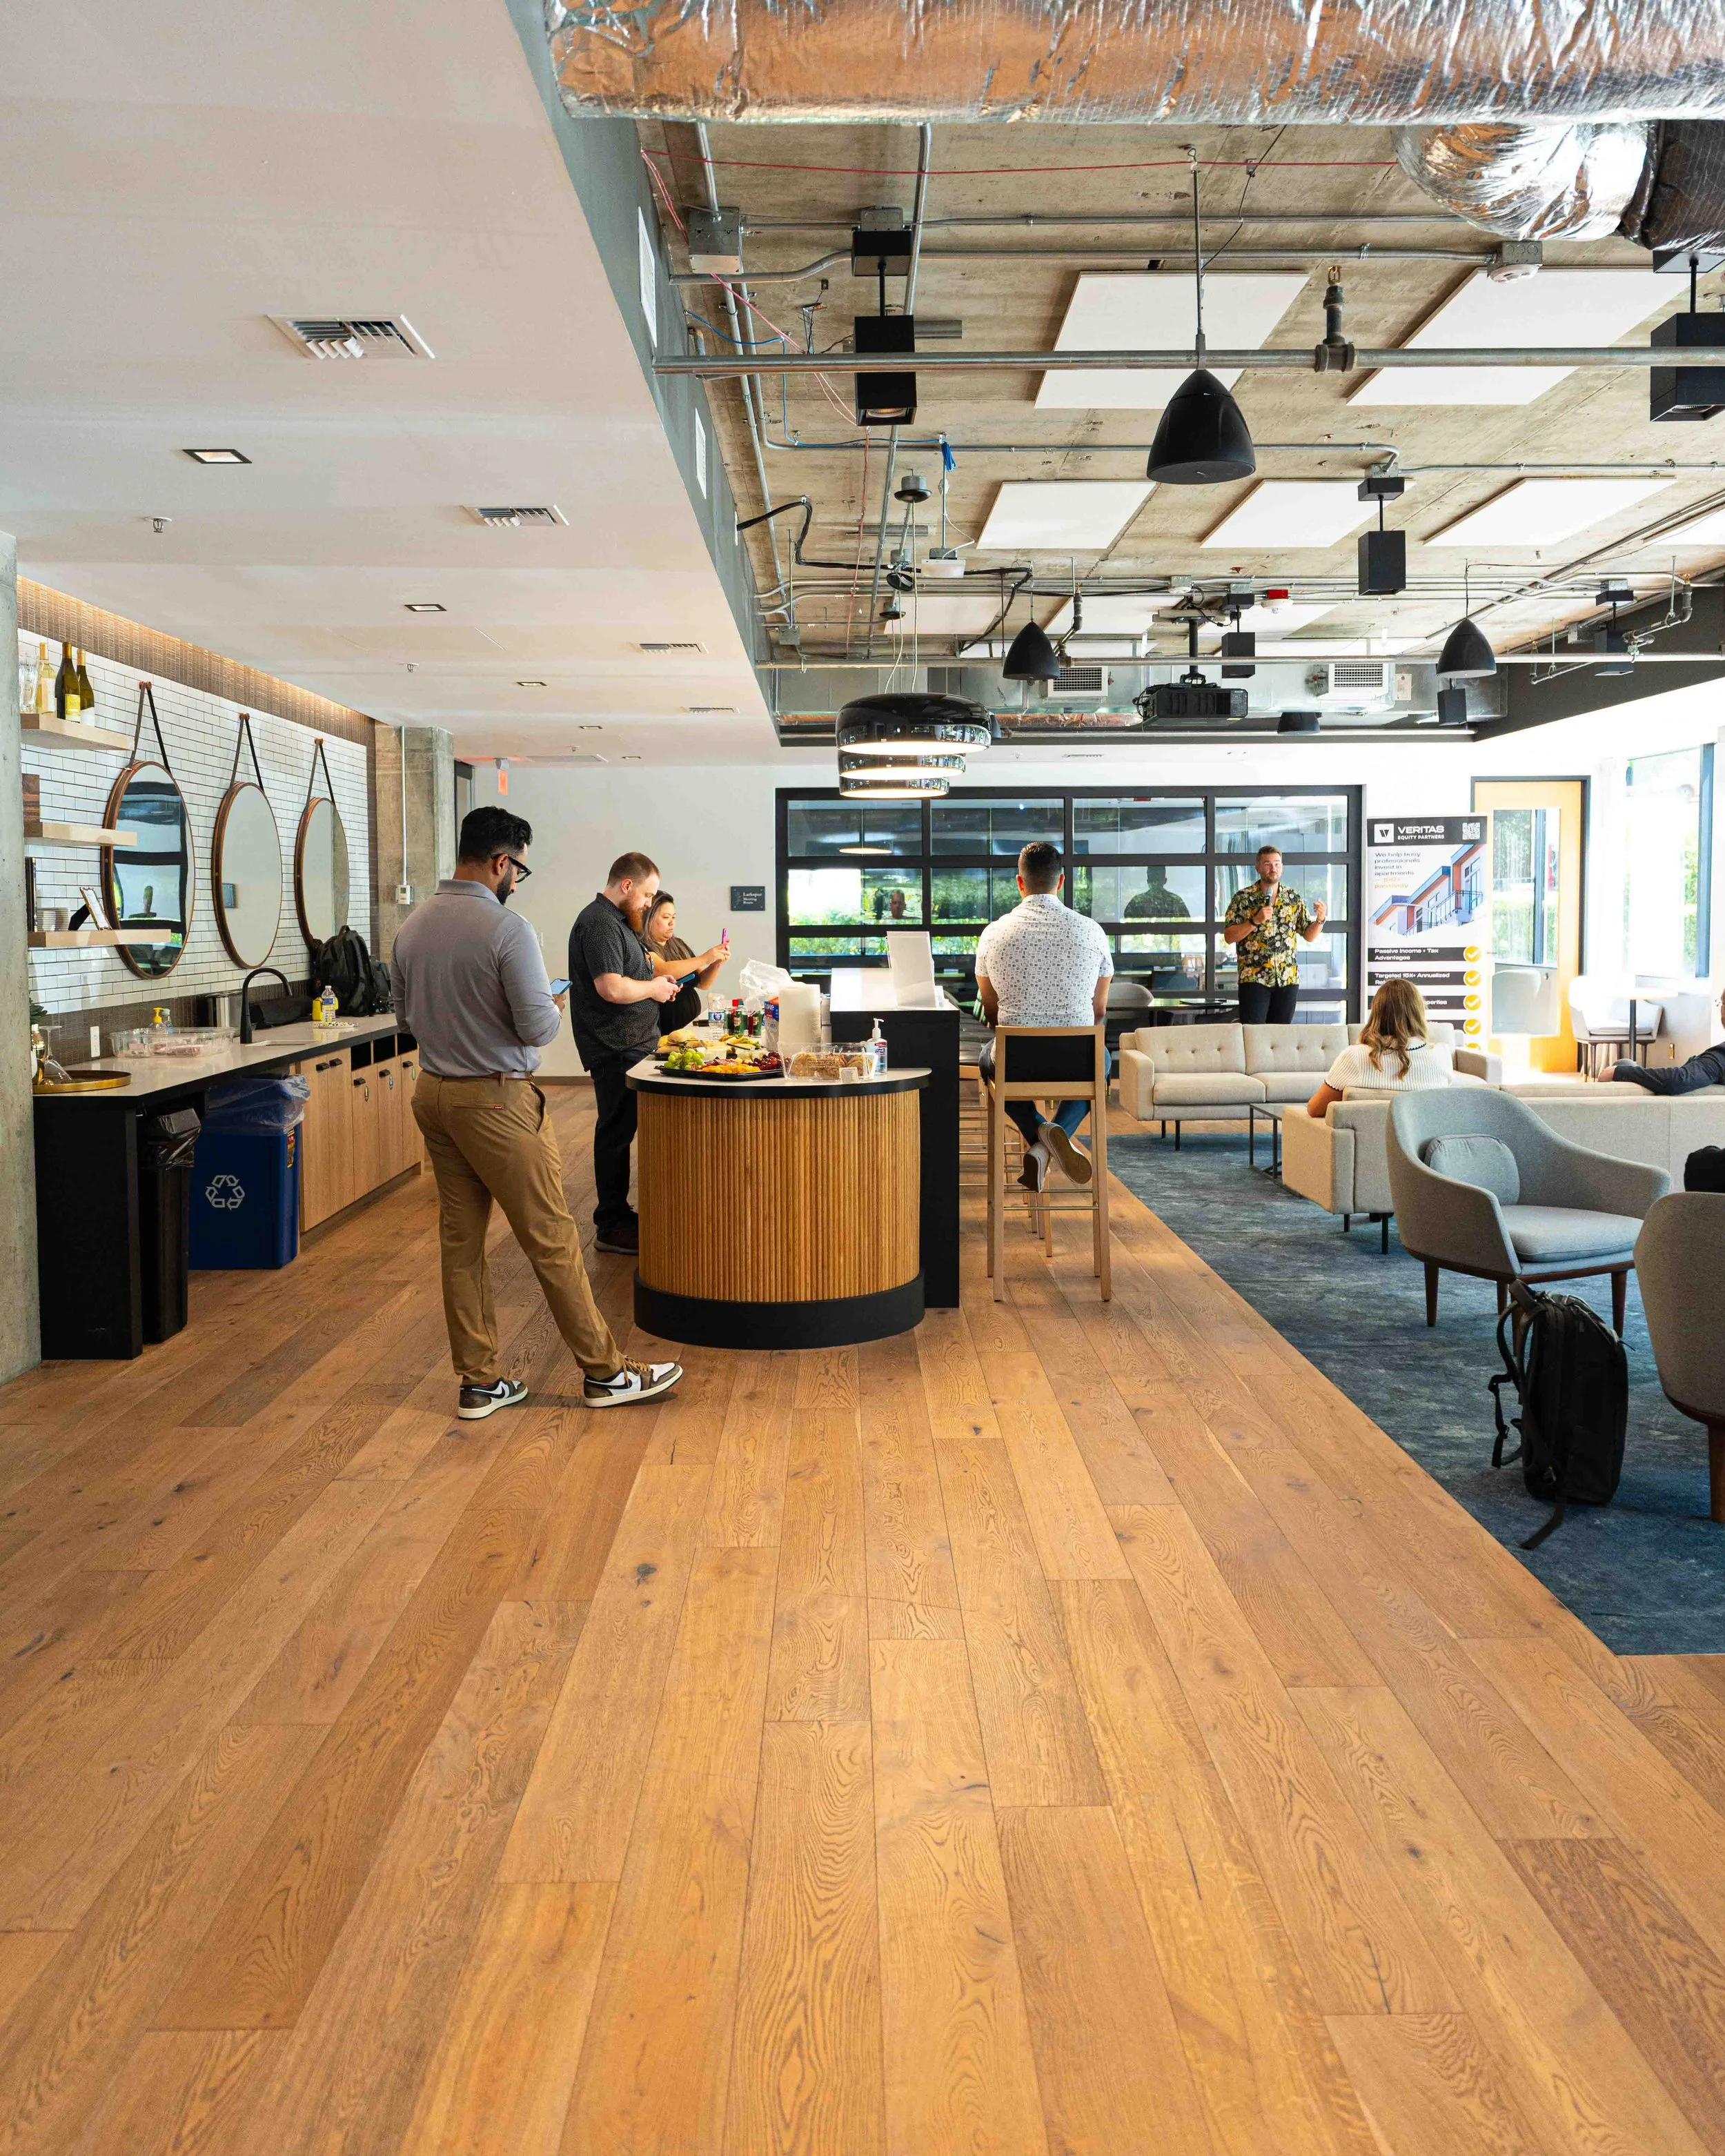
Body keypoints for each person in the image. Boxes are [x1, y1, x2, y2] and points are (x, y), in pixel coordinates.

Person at [391, 807, 681, 1419]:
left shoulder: (411, 927)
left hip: (435, 1092)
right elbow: (540, 1026)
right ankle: (605, 1372)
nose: (517, 882)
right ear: (501, 861)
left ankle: (479, 1381)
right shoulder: (508, 929)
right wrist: (550, 1001)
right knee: (551, 1237)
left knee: (461, 1243)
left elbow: (405, 1020)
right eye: (517, 869)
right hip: (496, 1097)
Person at [974, 840, 1113, 1193]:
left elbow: (991, 1011)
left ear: (1020, 883)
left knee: (987, 1058)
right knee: (1102, 1059)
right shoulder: (1092, 931)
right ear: (1061, 881)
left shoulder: (993, 934)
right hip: (1076, 1061)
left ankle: (1039, 1135)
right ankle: (1056, 1136)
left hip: (1017, 1064)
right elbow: (1099, 1010)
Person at [567, 851, 681, 1254]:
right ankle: (610, 1224)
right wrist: (653, 989)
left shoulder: (619, 922)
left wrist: (658, 984)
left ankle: (619, 1212)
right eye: (648, 895)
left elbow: (634, 975)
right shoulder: (599, 923)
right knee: (615, 1134)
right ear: (627, 885)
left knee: (622, 1131)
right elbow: (611, 988)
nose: (651, 904)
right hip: (615, 1047)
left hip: (634, 1044)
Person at [1306, 977, 1452, 1116]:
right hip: (1421, 1143)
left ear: (1377, 1013)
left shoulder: (1354, 1057)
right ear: (1419, 1012)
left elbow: (1315, 1109)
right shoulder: (1442, 1055)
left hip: (1366, 1142)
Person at [1222, 844, 1328, 1025]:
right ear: (1258, 868)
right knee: (1254, 1036)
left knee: (1280, 1039)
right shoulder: (1243, 898)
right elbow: (1229, 936)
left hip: (1287, 978)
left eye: (1277, 864)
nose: (1273, 869)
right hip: (1254, 977)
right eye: (1268, 864)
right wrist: (1255, 921)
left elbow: (1309, 935)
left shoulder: (1293, 898)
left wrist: (1320, 919)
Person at [1611, 986, 1725, 1094]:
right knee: (1626, 1065)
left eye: (1721, 1004)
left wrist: (1619, 1072)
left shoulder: (1718, 1058)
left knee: (1623, 1064)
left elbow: (1678, 1080)